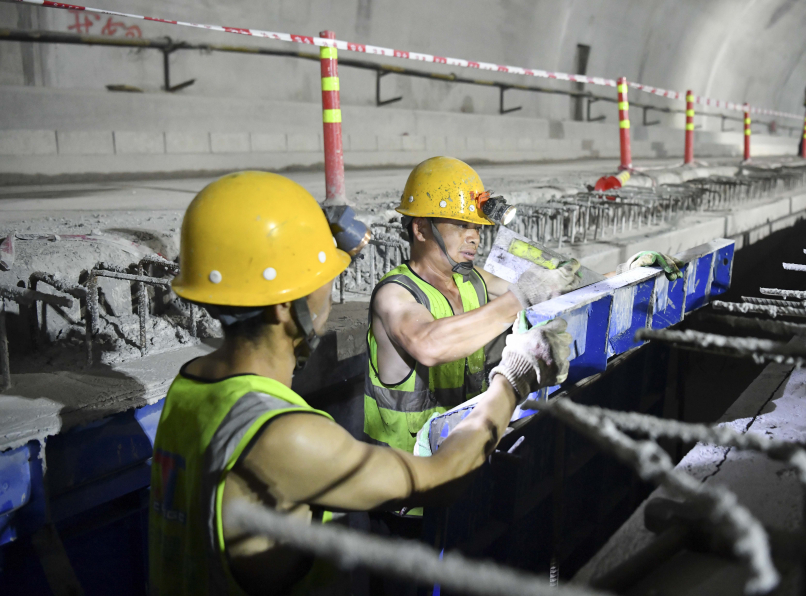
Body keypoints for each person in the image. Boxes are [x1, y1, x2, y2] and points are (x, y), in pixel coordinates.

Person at [148, 170, 572, 596]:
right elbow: (441, 478)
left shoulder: (188, 392)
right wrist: (514, 381)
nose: (330, 293)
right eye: (324, 279)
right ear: (283, 307)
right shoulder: (287, 437)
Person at [365, 157, 684, 461]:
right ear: (420, 229)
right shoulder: (394, 295)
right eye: (462, 225)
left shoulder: (472, 280)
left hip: (463, 460)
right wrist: (524, 295)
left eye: (477, 228)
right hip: (407, 486)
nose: (474, 237)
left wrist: (623, 274)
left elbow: (562, 288)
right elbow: (429, 344)